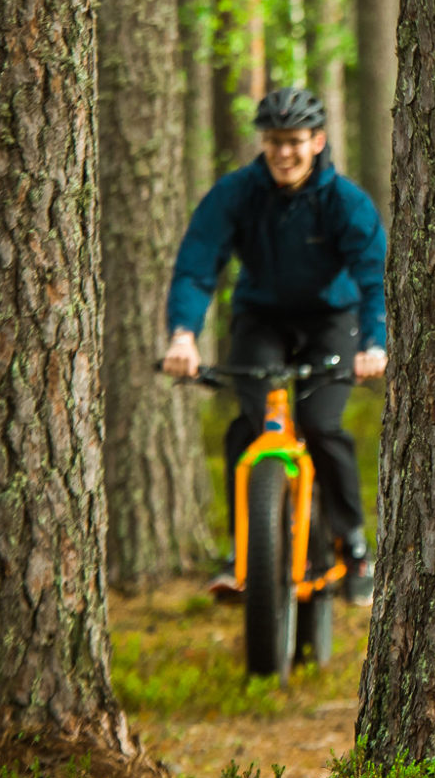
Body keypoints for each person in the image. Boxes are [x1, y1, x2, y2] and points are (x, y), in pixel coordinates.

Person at [161, 86, 387, 605]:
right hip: (261, 319)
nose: (283, 153)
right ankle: (243, 550)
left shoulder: (345, 202)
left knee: (322, 425)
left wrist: (375, 343)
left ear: (317, 141)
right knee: (250, 425)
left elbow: (374, 276)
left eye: (294, 141)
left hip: (332, 319)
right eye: (273, 142)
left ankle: (352, 545)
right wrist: (183, 334)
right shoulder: (237, 193)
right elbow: (198, 265)